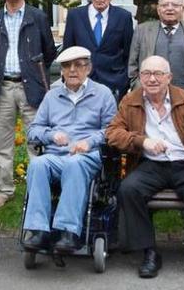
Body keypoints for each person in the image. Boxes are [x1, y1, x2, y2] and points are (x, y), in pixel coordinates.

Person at [107, 55, 184, 279]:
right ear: (139, 77)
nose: (152, 79)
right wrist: (142, 141)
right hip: (151, 164)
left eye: (158, 74)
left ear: (169, 77)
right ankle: (149, 252)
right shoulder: (131, 101)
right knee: (128, 189)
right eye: (146, 73)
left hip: (183, 162)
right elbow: (112, 133)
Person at [21, 47, 116, 255]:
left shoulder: (102, 94)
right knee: (37, 163)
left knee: (75, 163)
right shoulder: (52, 96)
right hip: (56, 155)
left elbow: (112, 130)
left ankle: (67, 231)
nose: (72, 70)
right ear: (62, 71)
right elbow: (33, 130)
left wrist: (89, 142)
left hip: (87, 157)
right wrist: (51, 136)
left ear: (88, 68)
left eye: (79, 65)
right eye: (67, 66)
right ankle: (38, 230)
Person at [0, 0, 56, 210]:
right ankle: (4, 191)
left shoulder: (38, 17)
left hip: (31, 87)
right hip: (2, 87)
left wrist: (33, 73)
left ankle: (37, 190)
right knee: (2, 144)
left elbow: (49, 51)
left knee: (36, 140)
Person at [128, 0, 184, 107]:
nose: (170, 8)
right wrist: (141, 91)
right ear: (158, 9)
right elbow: (132, 66)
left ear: (182, 9)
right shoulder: (142, 31)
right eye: (165, 5)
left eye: (175, 5)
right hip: (151, 100)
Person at [61, 0, 134, 100]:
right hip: (81, 82)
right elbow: (68, 50)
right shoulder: (75, 16)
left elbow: (128, 52)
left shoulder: (123, 17)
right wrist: (68, 79)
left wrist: (123, 81)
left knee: (111, 120)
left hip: (114, 83)